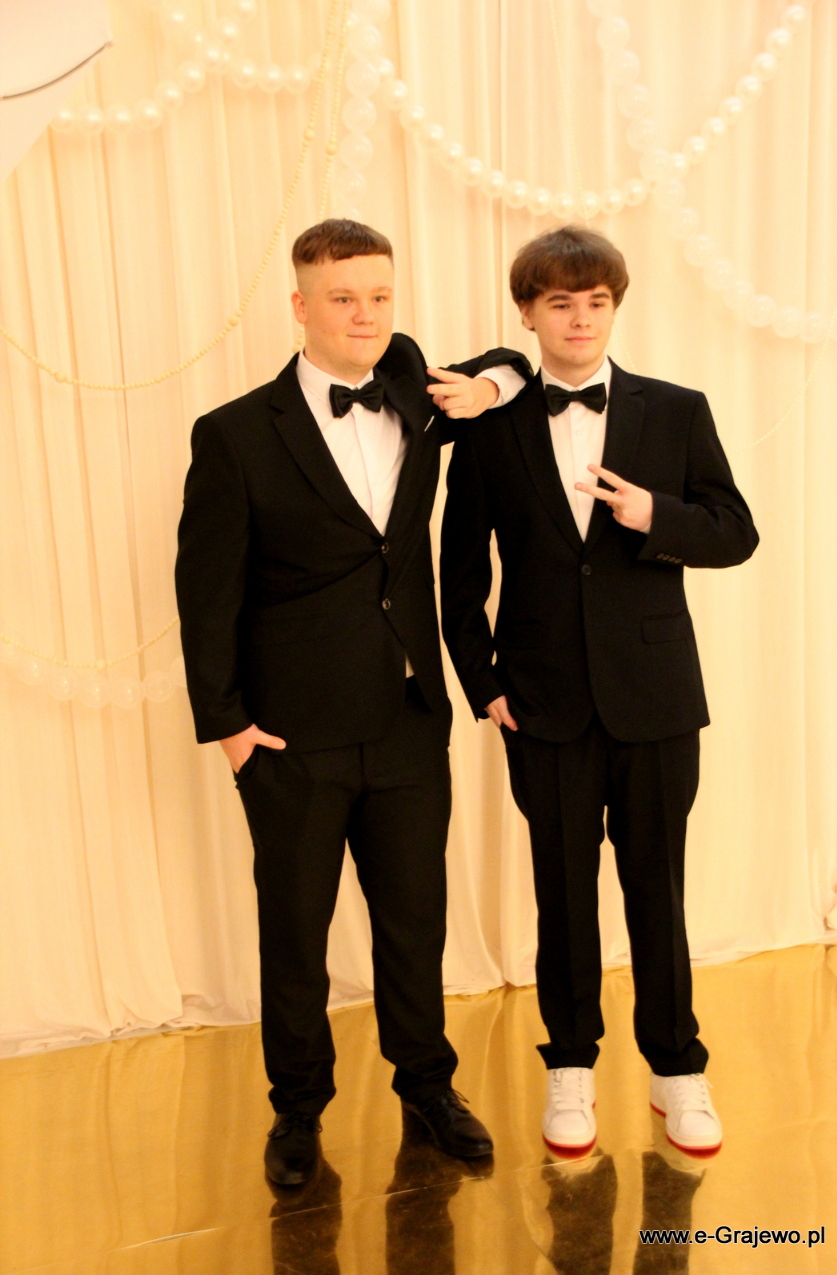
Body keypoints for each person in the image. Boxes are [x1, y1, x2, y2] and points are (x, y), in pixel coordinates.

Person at [175, 219, 527, 1186]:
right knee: (295, 932)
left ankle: (428, 1086)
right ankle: (297, 1110)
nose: (364, 315)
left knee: (415, 920)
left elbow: (513, 365)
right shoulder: (235, 434)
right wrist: (228, 726)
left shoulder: (414, 387)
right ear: (300, 306)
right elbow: (205, 592)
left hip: (408, 717)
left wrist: (493, 387)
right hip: (289, 734)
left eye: (378, 296)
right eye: (341, 298)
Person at [440, 226, 759, 1157]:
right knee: (563, 897)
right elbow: (459, 575)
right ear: (528, 314)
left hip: (656, 698)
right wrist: (485, 686)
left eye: (596, 302)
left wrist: (656, 515)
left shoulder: (677, 410)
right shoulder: (488, 425)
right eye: (560, 303)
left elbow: (735, 531)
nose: (580, 320)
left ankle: (678, 1071)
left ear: (615, 307)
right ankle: (570, 1068)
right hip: (541, 705)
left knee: (658, 889)